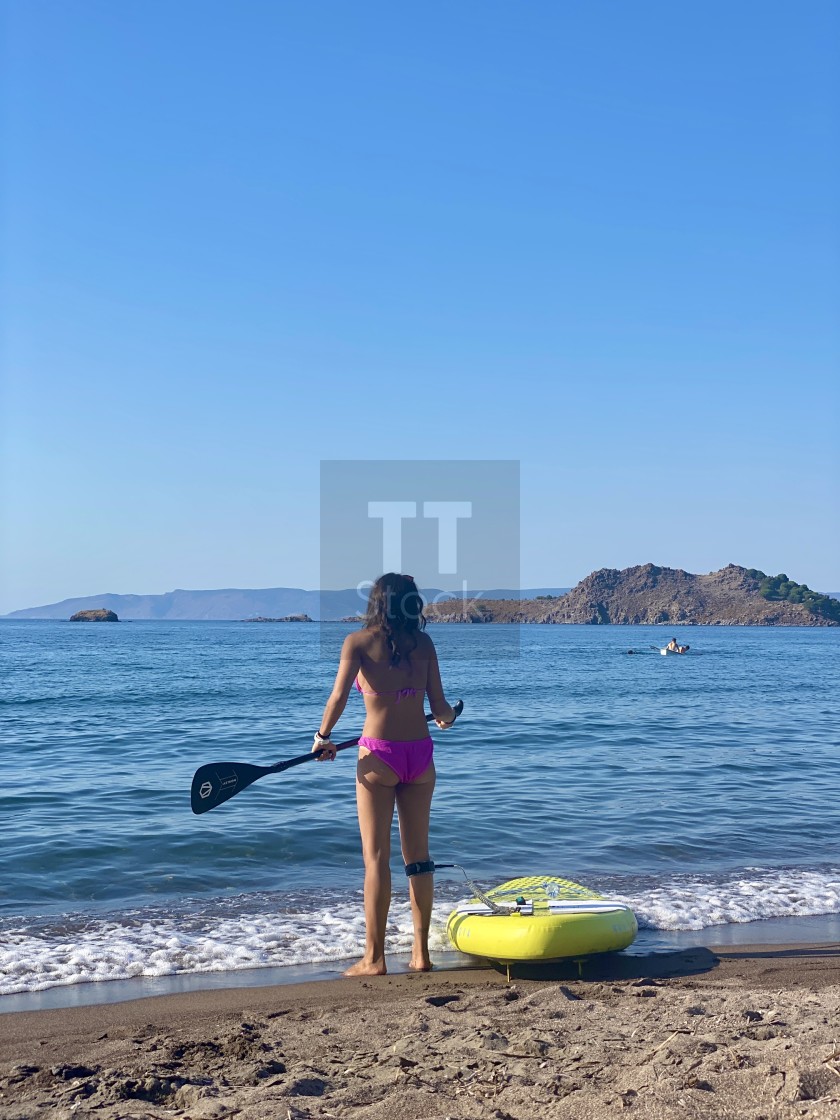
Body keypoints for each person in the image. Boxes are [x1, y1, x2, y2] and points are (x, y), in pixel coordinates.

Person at [313, 572, 458, 976]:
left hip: (378, 758)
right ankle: (421, 956)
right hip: (421, 757)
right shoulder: (424, 643)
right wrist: (446, 719)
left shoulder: (357, 643)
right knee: (419, 859)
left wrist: (322, 738)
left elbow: (339, 696)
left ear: (376, 602)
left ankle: (374, 959)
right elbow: (441, 707)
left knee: (376, 860)